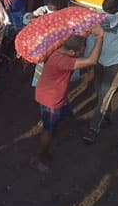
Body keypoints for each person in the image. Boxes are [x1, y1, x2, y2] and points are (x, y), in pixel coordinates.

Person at [31, 28, 104, 173]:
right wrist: (100, 38)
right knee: (48, 130)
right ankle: (37, 159)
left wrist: (88, 32)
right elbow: (92, 60)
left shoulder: (59, 49)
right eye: (80, 51)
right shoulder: (63, 61)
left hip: (56, 95)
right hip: (52, 99)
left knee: (66, 118)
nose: (82, 53)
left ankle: (50, 133)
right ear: (71, 52)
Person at [82, 0, 118, 144]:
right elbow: (91, 39)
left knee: (104, 96)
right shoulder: (98, 18)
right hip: (99, 62)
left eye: (110, 12)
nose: (106, 15)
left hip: (116, 65)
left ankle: (93, 129)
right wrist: (87, 59)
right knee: (101, 92)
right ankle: (107, 117)